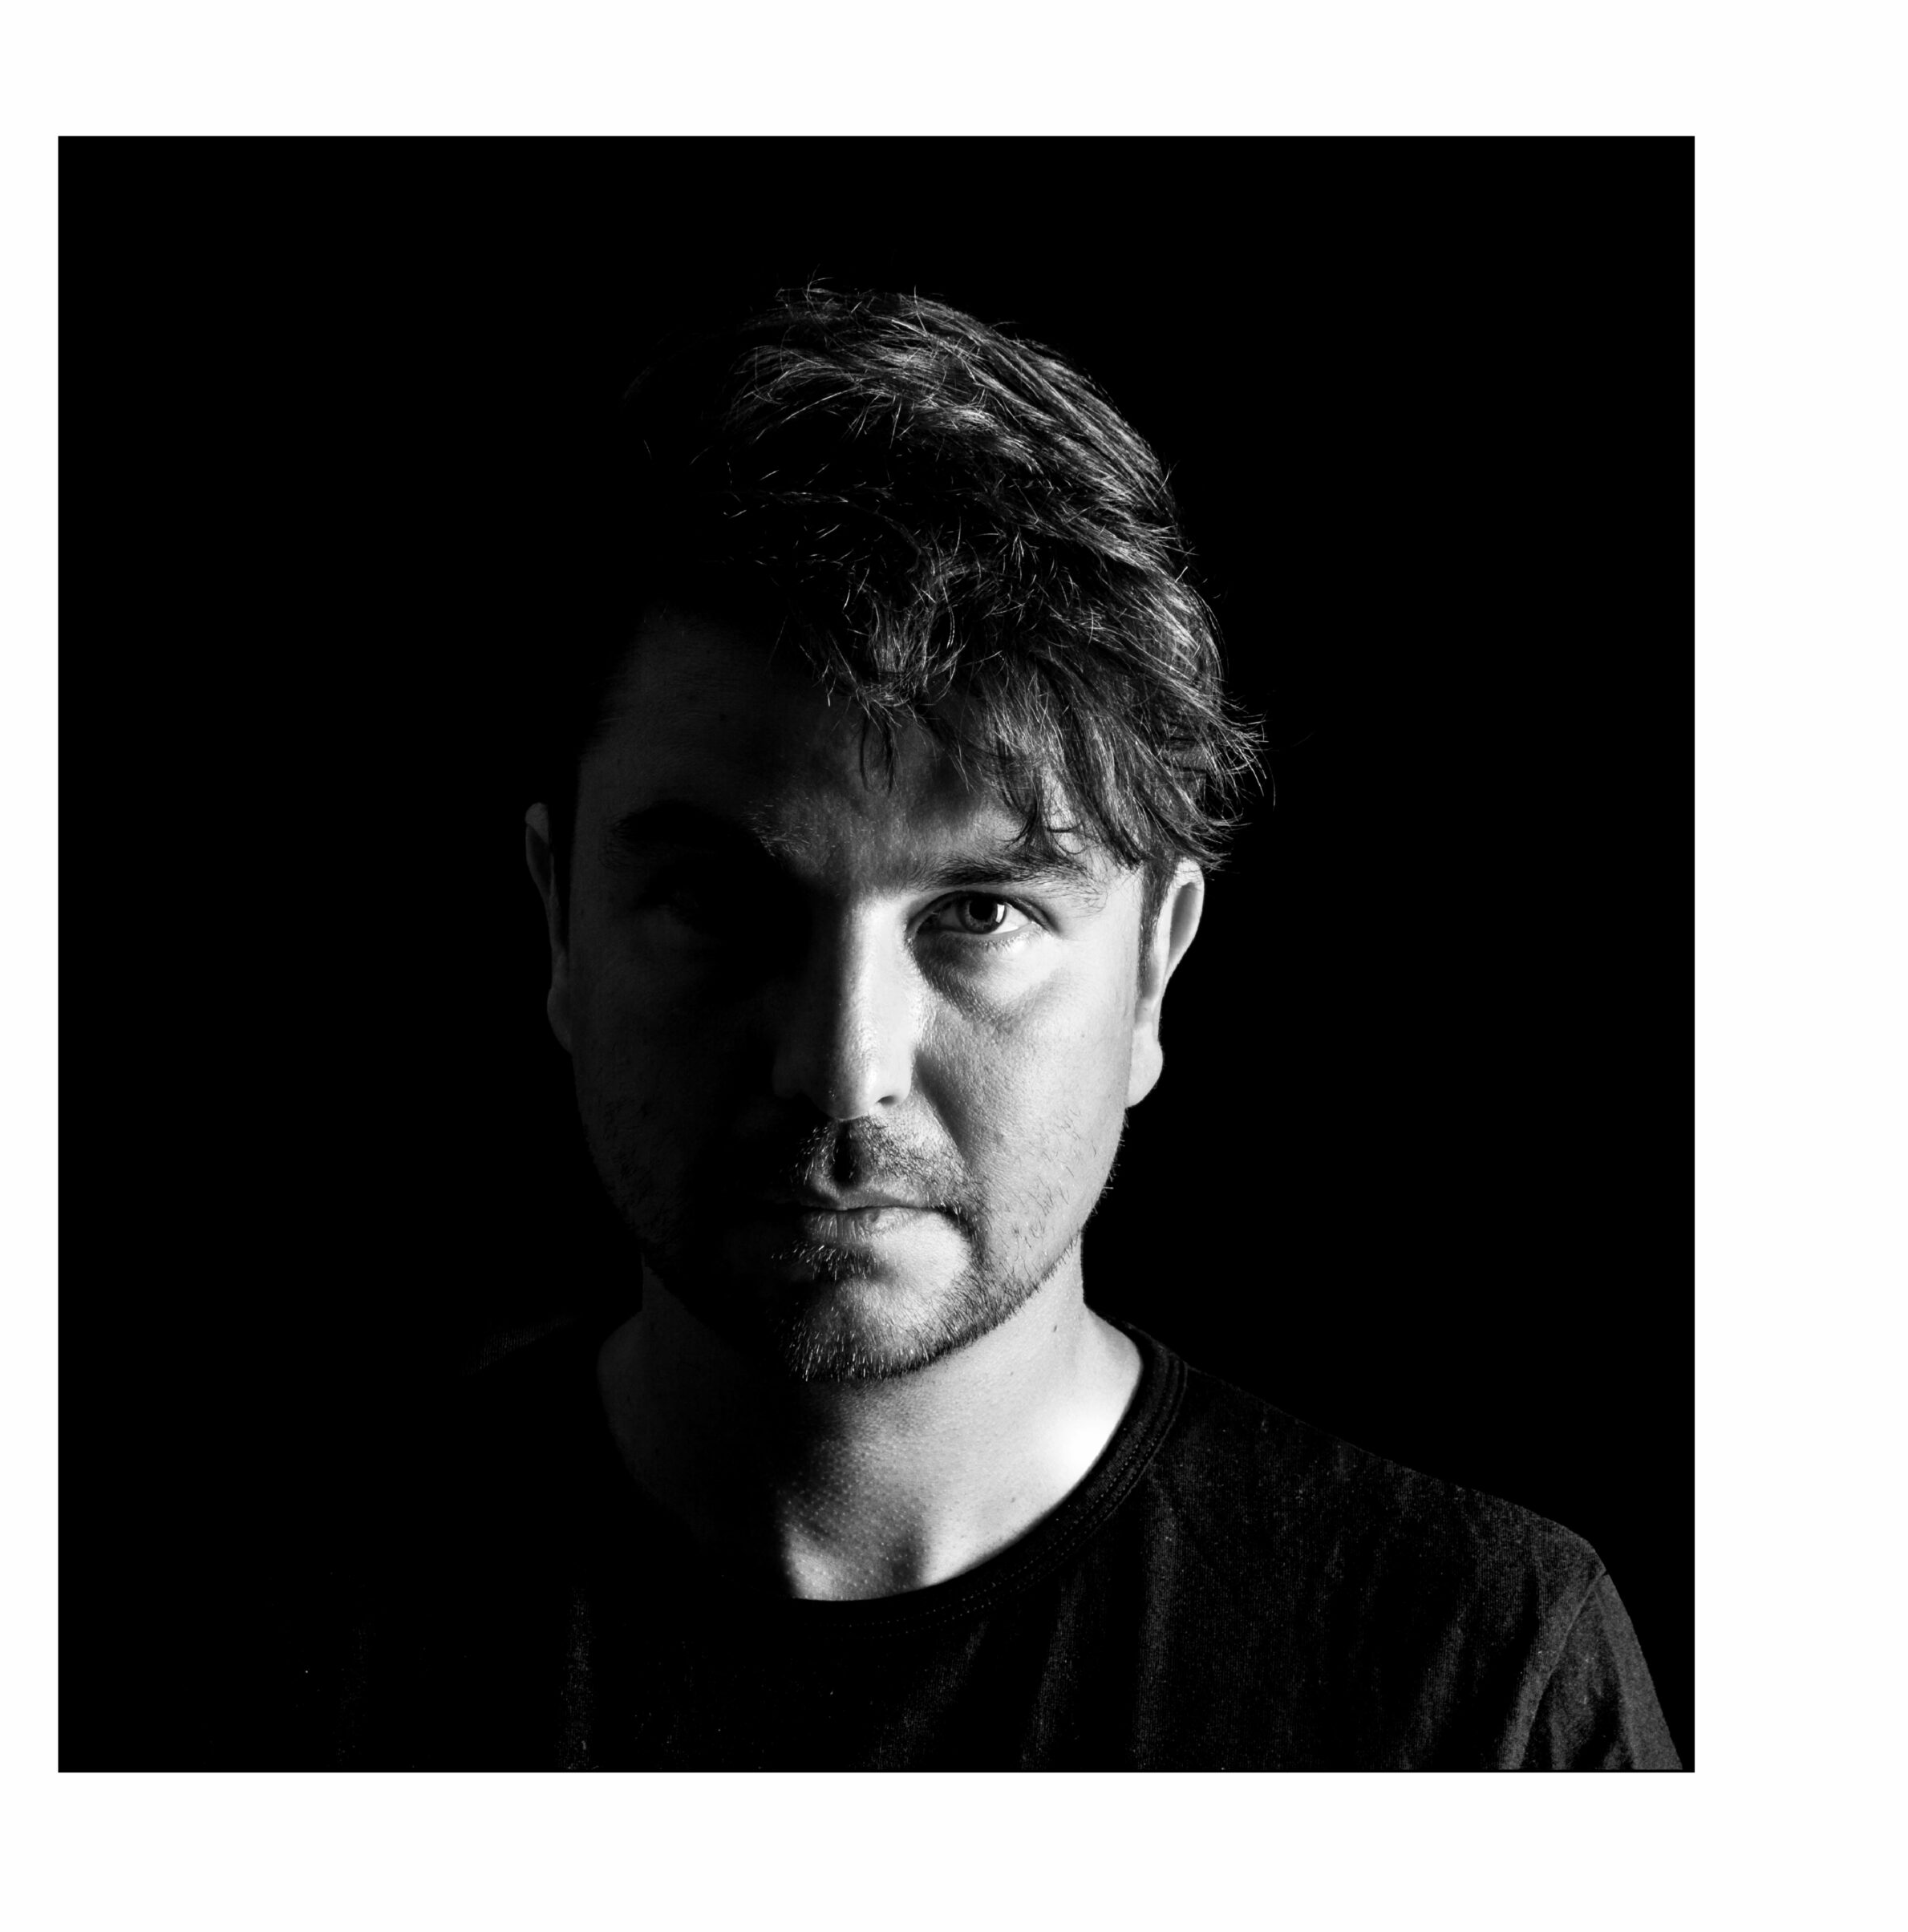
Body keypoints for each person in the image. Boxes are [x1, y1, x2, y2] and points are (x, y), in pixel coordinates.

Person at [330, 286, 1680, 1768]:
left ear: (1153, 967)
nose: (842, 1070)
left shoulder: (1474, 1679)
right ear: (559, 926)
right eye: (718, 903)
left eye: (979, 913)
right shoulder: (251, 1640)